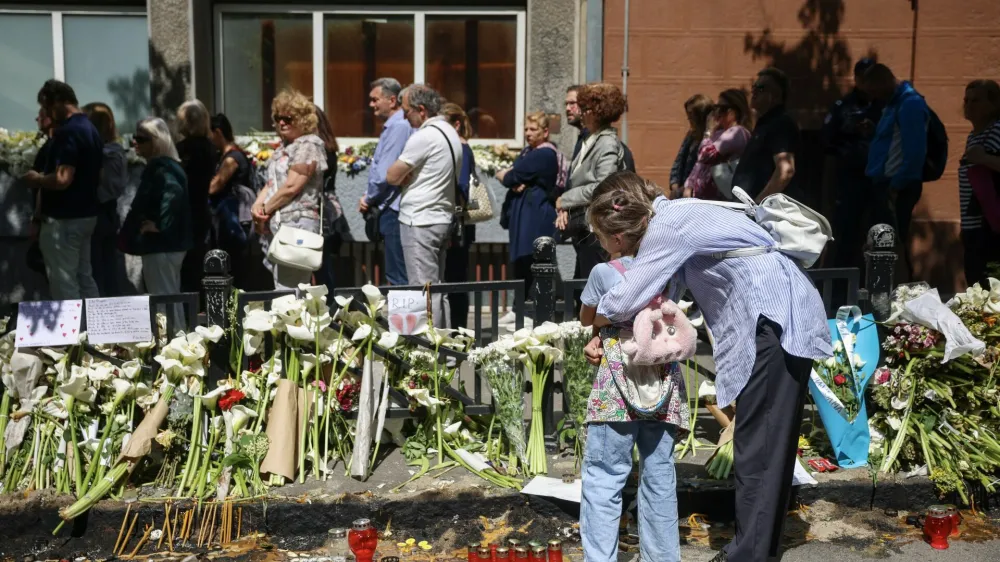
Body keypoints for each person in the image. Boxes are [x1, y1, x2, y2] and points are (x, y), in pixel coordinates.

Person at [585, 172, 830, 562]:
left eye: (601, 237)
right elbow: (667, 290)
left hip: (770, 317)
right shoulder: (677, 216)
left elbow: (623, 300)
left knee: (760, 446)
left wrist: (593, 321)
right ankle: (752, 550)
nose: (605, 247)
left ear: (618, 235)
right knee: (763, 443)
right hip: (777, 313)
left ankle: (747, 555)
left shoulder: (668, 227)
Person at [578, 173, 689, 562]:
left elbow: (588, 316)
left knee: (605, 474)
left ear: (617, 238)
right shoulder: (670, 267)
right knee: (659, 475)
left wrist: (598, 330)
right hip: (662, 374)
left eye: (600, 236)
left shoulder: (604, 273)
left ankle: (600, 557)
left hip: (618, 380)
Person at [386, 84, 462, 328]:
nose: (405, 117)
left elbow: (391, 176)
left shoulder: (424, 136)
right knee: (437, 289)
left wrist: (406, 175)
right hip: (440, 217)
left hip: (419, 219)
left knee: (423, 290)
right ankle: (445, 351)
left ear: (421, 109)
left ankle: (429, 352)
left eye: (407, 112)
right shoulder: (450, 131)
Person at [22, 80, 103, 300]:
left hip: (64, 221)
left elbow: (63, 178)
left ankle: (72, 333)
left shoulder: (69, 132)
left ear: (58, 102)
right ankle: (93, 330)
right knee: (84, 277)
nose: (47, 113)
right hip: (86, 215)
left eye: (47, 107)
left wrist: (36, 178)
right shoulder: (91, 129)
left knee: (63, 282)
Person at [251, 89, 328, 290]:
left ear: (303, 120)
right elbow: (271, 184)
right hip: (280, 224)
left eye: (288, 118)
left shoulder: (309, 144)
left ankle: (294, 323)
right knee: (283, 287)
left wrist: (265, 210)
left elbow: (292, 186)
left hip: (297, 225)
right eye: (278, 118)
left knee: (289, 291)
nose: (282, 122)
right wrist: (258, 206)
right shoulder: (284, 147)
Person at [556, 83, 628, 292]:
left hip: (596, 229)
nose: (582, 113)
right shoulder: (590, 139)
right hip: (585, 227)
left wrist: (565, 199)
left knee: (593, 290)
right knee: (584, 289)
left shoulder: (606, 143)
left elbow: (603, 186)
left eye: (586, 108)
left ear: (597, 112)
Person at [121, 117, 192, 330]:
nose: (136, 143)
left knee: (164, 301)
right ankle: (176, 346)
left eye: (141, 139)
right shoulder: (168, 165)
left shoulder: (161, 167)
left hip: (162, 246)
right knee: (169, 298)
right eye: (135, 138)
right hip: (168, 245)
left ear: (157, 141)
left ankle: (173, 349)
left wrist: (160, 225)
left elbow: (174, 193)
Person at [864, 63, 930, 280]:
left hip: (895, 187)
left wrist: (897, 185)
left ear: (883, 81)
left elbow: (915, 151)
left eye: (873, 90)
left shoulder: (909, 103)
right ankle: (888, 295)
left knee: (895, 246)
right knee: (883, 246)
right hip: (884, 184)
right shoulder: (892, 104)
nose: (873, 96)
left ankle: (904, 297)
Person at [496, 111, 565, 313]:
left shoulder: (544, 154)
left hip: (536, 216)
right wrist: (513, 177)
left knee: (532, 261)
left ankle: (533, 310)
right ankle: (521, 309)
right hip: (526, 214)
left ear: (545, 132)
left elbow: (511, 176)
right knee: (523, 263)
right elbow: (516, 176)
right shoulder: (529, 152)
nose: (527, 133)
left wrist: (504, 175)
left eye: (533, 129)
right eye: (525, 129)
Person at [822, 57, 882, 269]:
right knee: (846, 236)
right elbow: (828, 146)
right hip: (848, 182)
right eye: (864, 77)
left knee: (879, 235)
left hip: (878, 182)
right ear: (856, 78)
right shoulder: (843, 107)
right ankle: (840, 293)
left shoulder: (885, 106)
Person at [359, 77, 414, 286]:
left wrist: (368, 198)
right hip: (391, 207)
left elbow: (384, 174)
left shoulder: (398, 126)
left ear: (392, 100)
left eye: (375, 100)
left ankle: (404, 318)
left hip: (393, 208)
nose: (371, 105)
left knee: (398, 274)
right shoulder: (396, 125)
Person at [732, 67, 800, 202]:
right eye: (754, 87)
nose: (754, 92)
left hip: (765, 215)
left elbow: (785, 170)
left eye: (761, 88)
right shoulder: (764, 124)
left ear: (776, 96)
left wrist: (758, 205)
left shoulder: (781, 123)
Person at [83, 102, 129, 297]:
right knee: (108, 267)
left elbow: (102, 188)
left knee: (96, 269)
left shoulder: (101, 154)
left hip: (98, 213)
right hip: (110, 214)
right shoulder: (117, 152)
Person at [958, 79, 1000, 287]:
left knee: (989, 286)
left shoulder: (996, 131)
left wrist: (983, 158)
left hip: (991, 226)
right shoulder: (974, 136)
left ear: (993, 105)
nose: (968, 105)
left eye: (976, 100)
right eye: (967, 100)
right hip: (973, 226)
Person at [440, 102, 478, 329]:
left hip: (458, 225)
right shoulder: (458, 147)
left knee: (455, 279)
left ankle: (458, 332)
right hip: (458, 223)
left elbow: (461, 186)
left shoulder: (461, 148)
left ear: (455, 124)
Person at [175, 99, 219, 293]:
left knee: (186, 266)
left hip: (186, 211)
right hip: (201, 208)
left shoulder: (184, 149)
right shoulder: (210, 147)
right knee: (198, 261)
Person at [207, 112, 254, 288]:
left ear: (218, 132)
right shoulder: (227, 156)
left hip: (232, 222)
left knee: (233, 265)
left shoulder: (233, 158)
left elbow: (215, 186)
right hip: (228, 220)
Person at [683, 89, 752, 200]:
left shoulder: (737, 132)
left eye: (721, 108)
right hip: (705, 199)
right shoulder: (720, 133)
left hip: (721, 201)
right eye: (716, 108)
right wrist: (689, 186)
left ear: (733, 111)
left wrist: (708, 131)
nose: (717, 113)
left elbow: (705, 155)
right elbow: (699, 164)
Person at [314, 104, 352, 294]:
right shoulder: (328, 147)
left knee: (320, 263)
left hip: (321, 212)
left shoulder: (319, 150)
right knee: (322, 262)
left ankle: (326, 305)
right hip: (328, 210)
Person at [565, 85, 636, 171]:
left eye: (572, 103)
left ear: (597, 110)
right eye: (566, 104)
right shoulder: (586, 140)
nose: (567, 108)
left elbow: (604, 181)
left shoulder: (607, 144)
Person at [668, 94, 714, 198]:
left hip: (696, 196)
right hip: (681, 195)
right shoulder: (691, 135)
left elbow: (701, 170)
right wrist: (674, 186)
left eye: (691, 116)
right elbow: (679, 161)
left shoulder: (711, 140)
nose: (689, 118)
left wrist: (685, 189)